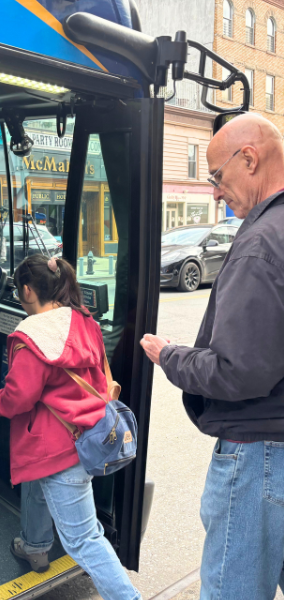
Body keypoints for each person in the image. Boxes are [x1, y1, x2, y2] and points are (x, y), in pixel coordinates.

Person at [140, 113, 284, 600]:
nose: (216, 193)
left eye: (217, 177)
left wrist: (169, 356)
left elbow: (236, 371)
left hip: (258, 454)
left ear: (250, 158)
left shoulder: (259, 245)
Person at [0, 254, 141, 600]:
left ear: (27, 290)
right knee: (36, 483)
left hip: (57, 448)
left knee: (84, 540)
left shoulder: (31, 336)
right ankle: (35, 546)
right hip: (88, 433)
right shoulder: (83, 320)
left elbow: (19, 397)